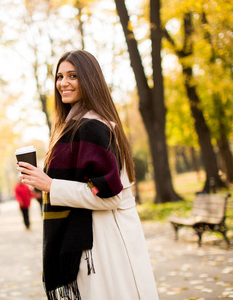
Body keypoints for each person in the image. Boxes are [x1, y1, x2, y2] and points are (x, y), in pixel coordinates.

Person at [17, 50, 159, 299]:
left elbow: (110, 195)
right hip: (92, 239)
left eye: (73, 75)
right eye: (59, 76)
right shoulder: (74, 125)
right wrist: (43, 179)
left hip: (104, 241)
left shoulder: (92, 126)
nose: (63, 83)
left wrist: (50, 185)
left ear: (89, 79)